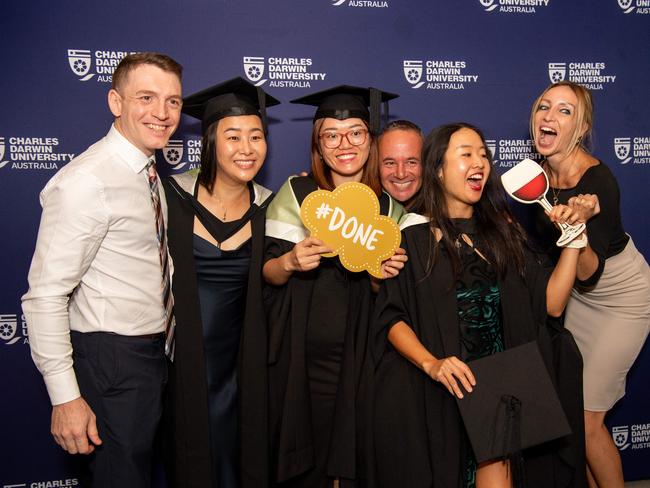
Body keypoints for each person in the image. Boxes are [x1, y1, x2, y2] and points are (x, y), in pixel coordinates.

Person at [373, 123, 589, 488]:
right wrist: (432, 364)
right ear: (437, 169)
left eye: (483, 154)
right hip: (443, 389)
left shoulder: (503, 232)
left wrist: (574, 240)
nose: (480, 162)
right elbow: (392, 317)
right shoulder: (411, 235)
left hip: (497, 387)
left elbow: (551, 305)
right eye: (466, 154)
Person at [21, 52, 183, 487]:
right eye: (146, 97)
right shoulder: (87, 181)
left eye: (173, 101)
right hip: (112, 360)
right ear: (115, 101)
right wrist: (66, 398)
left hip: (153, 356)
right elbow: (44, 296)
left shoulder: (147, 172)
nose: (162, 113)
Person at [263, 85, 407, 488]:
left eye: (356, 132)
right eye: (331, 135)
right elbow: (266, 274)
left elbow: (393, 301)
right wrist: (290, 261)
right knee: (309, 465)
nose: (345, 144)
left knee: (360, 462)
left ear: (371, 139)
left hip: (365, 361)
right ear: (319, 145)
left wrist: (382, 279)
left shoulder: (389, 212)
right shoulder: (297, 196)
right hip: (304, 361)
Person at [529, 81, 650, 488]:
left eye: (564, 111)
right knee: (569, 414)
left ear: (580, 128)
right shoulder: (537, 176)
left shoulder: (599, 182)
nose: (549, 116)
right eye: (545, 107)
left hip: (622, 298)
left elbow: (589, 273)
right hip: (576, 301)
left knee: (586, 418)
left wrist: (576, 228)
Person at [161, 77, 279, 488]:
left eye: (256, 136)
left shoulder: (273, 207)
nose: (247, 149)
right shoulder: (168, 196)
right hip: (177, 362)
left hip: (243, 365)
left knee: (236, 457)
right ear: (210, 141)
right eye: (233, 137)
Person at [378, 119, 424, 210]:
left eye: (411, 162)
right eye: (390, 163)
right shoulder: (363, 217)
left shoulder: (444, 217)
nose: (401, 174)